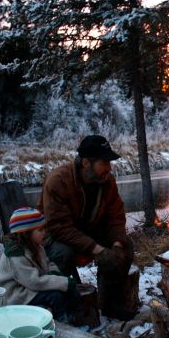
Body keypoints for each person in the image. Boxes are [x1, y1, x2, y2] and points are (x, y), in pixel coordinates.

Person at [38, 135, 137, 321]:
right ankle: (66, 306)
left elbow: (116, 217)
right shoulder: (58, 181)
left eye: (110, 163)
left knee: (125, 246)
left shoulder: (107, 182)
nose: (109, 168)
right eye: (104, 163)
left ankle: (110, 304)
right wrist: (97, 249)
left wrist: (115, 246)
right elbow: (59, 227)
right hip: (55, 237)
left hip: (87, 232)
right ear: (85, 163)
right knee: (63, 253)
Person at [0, 207, 82, 322]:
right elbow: (33, 281)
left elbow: (48, 263)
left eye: (44, 228)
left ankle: (75, 318)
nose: (44, 232)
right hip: (18, 294)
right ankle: (63, 322)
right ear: (26, 233)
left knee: (67, 291)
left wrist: (55, 274)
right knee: (55, 295)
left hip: (29, 287)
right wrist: (61, 282)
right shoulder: (15, 254)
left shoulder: (37, 246)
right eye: (40, 230)